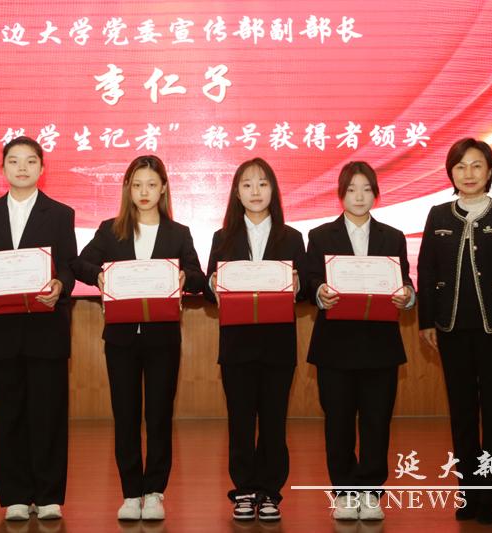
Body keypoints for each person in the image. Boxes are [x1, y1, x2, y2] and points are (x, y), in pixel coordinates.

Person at [76, 155, 205, 521]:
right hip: (120, 339)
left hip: (163, 338)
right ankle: (131, 492)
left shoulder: (178, 233)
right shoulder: (110, 230)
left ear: (163, 188)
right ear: (127, 190)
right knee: (126, 416)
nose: (144, 192)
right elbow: (80, 264)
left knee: (159, 416)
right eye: (137, 185)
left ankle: (155, 492)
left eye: (151, 184)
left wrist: (186, 278)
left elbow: (198, 275)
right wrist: (99, 275)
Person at [417, 138, 492, 525]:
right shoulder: (438, 215)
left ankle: (491, 498)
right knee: (462, 414)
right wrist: (426, 322)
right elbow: (426, 271)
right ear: (450, 173)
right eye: (460, 166)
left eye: (476, 165)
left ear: (490, 171)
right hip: (451, 328)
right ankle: (468, 493)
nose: (468, 174)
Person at [0, 136, 77, 521]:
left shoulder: (60, 214)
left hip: (47, 329)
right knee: (6, 414)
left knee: (48, 414)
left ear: (42, 168)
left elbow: (69, 265)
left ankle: (48, 495)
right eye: (14, 161)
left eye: (30, 161)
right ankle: (14, 495)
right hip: (1, 330)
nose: (22, 168)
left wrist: (61, 284)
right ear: (2, 169)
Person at [304, 161, 414, 522]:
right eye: (351, 189)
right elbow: (310, 280)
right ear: (340, 194)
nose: (359, 196)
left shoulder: (393, 237)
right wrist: (319, 291)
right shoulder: (320, 236)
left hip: (380, 346)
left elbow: (405, 282)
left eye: (366, 189)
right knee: (338, 422)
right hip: (335, 347)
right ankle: (344, 492)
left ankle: (371, 490)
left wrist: (407, 296)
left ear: (376, 194)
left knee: (376, 421)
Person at [204, 158, 306, 522]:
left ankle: (271, 492)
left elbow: (305, 288)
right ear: (236, 193)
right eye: (247, 185)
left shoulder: (291, 237)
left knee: (275, 421)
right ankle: (244, 489)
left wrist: (298, 285)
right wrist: (215, 284)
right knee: (241, 421)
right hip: (237, 346)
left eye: (262, 184)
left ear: (273, 190)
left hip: (278, 346)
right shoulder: (222, 238)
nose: (255, 191)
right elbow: (208, 287)